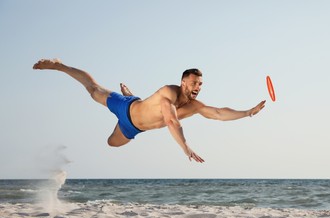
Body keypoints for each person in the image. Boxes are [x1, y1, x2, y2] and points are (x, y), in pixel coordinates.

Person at [33, 59, 266, 163]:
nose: (198, 87)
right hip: (127, 107)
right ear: (183, 82)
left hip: (132, 127)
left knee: (110, 143)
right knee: (94, 90)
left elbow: (218, 113)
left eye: (200, 84)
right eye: (194, 83)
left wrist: (247, 112)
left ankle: (131, 95)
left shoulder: (194, 105)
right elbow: (172, 122)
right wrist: (186, 148)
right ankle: (60, 66)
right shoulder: (169, 93)